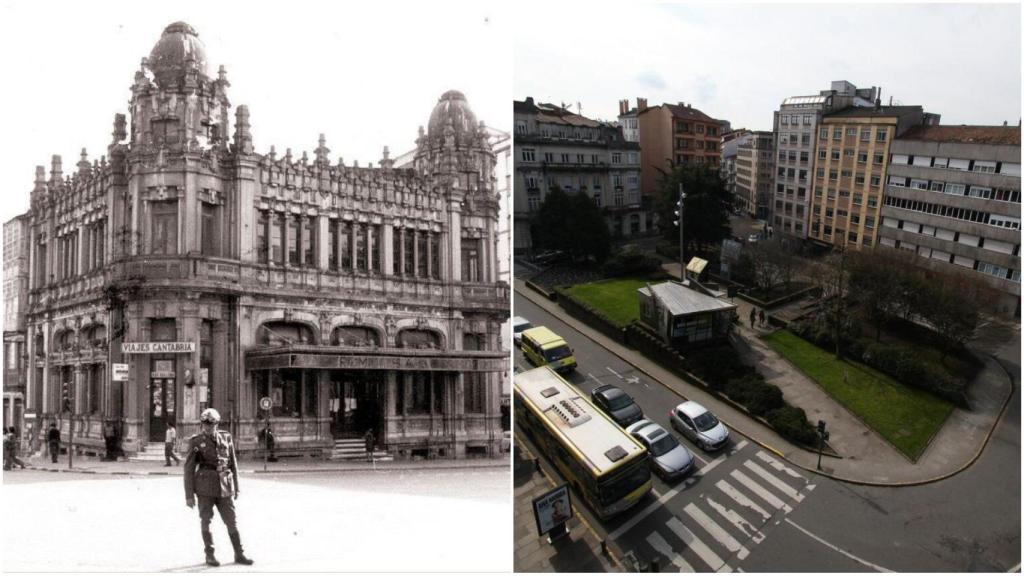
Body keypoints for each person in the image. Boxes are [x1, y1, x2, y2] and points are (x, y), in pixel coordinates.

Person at [184, 408, 253, 567]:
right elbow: (188, 470)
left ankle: (239, 553)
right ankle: (210, 555)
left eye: (212, 424)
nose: (208, 428)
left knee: (232, 521)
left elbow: (233, 464)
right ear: (202, 425)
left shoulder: (226, 437)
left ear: (217, 424)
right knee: (206, 520)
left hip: (225, 486)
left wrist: (236, 486)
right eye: (205, 425)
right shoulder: (196, 441)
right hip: (205, 487)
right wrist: (189, 495)